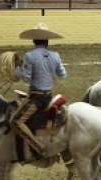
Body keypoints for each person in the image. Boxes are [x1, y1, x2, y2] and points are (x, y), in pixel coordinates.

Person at [10, 23, 67, 156]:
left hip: (37, 98)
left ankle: (39, 147)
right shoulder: (56, 55)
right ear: (47, 41)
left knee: (15, 121)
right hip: (49, 96)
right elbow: (63, 75)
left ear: (34, 40)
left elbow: (26, 79)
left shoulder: (30, 56)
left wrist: (17, 70)